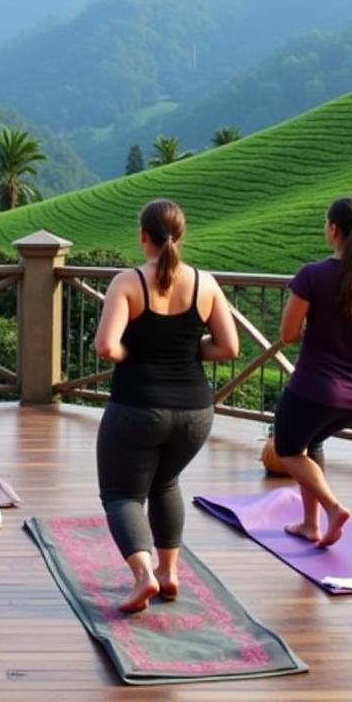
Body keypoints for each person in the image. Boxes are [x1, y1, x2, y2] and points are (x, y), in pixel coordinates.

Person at [93, 199, 239, 613]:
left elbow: (106, 345)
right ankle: (169, 573)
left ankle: (143, 577)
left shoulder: (128, 282)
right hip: (195, 412)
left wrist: (130, 354)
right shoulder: (205, 284)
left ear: (143, 237)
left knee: (121, 495)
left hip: (137, 407)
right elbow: (229, 346)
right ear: (181, 234)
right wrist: (189, 352)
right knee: (166, 483)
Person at [275, 196, 352, 548]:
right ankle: (310, 523)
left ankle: (332, 509)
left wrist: (321, 329)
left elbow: (287, 334)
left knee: (287, 449)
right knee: (310, 442)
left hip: (314, 388)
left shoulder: (311, 276)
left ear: (333, 229)